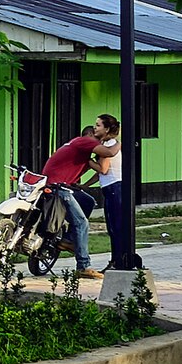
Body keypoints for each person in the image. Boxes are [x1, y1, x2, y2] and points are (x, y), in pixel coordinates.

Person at [39, 114, 118, 275]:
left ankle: (68, 239)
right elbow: (109, 153)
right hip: (58, 187)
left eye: (98, 126)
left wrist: (83, 185)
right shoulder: (86, 141)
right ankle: (83, 266)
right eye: (95, 127)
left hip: (60, 185)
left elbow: (99, 170)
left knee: (87, 201)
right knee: (82, 223)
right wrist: (120, 142)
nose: (96, 129)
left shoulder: (81, 150)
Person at [93, 118, 131, 269]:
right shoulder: (108, 145)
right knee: (114, 226)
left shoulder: (108, 146)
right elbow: (102, 173)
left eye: (98, 125)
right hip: (112, 186)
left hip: (114, 187)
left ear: (107, 129)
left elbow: (103, 169)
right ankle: (116, 260)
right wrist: (85, 185)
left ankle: (117, 261)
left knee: (115, 227)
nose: (95, 128)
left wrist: (86, 160)